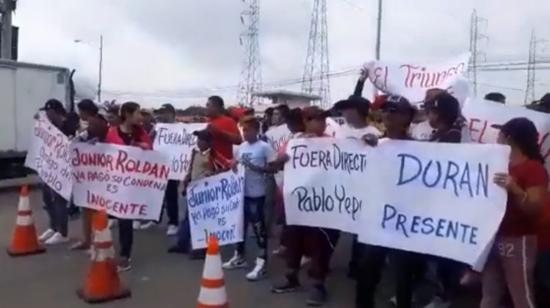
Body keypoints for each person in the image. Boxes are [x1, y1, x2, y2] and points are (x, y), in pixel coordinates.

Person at [355, 96, 425, 308]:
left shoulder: (419, 149)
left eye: (394, 111)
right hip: (377, 219)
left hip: (404, 221)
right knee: (367, 269)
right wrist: (367, 149)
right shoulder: (374, 143)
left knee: (403, 274)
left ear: (406, 117)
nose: (388, 115)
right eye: (385, 110)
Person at [272, 106, 340, 306]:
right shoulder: (294, 143)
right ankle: (291, 277)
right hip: (296, 204)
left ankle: (318, 285)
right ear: (305, 121)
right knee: (294, 242)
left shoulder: (333, 143)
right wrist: (280, 160)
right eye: (315, 119)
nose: (321, 122)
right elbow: (277, 163)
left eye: (323, 119)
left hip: (322, 205)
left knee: (320, 245)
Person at [480, 117, 548, 308]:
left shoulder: (534, 169)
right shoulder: (498, 165)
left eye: (500, 133)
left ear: (509, 138)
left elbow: (535, 208)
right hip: (494, 238)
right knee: (490, 292)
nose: (497, 137)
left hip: (519, 239)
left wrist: (515, 188)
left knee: (521, 295)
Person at [222, 116, 277, 281]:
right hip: (240, 194)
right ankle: (239, 256)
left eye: (247, 130)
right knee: (239, 227)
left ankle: (262, 263)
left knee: (259, 229)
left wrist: (257, 168)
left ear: (255, 130)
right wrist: (232, 165)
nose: (244, 133)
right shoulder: (241, 147)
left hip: (257, 194)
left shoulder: (264, 147)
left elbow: (273, 169)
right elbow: (235, 164)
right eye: (242, 130)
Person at [423, 92, 464, 308]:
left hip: (447, 205)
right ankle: (438, 291)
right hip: (435, 202)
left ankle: (444, 295)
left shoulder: (453, 137)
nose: (427, 114)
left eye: (431, 110)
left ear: (439, 113)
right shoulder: (440, 134)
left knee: (444, 254)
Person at [104, 102, 152, 272]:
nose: (141, 117)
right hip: (115, 183)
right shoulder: (111, 133)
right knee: (111, 217)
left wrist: (144, 148)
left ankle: (125, 254)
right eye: (138, 113)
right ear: (127, 114)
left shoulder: (141, 133)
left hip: (134, 184)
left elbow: (151, 156)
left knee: (125, 219)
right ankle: (102, 248)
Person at [168, 129, 229, 258]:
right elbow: (191, 168)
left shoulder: (213, 154)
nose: (199, 142)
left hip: (206, 192)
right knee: (188, 218)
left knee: (203, 220)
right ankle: (182, 244)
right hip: (194, 189)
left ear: (208, 142)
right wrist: (186, 180)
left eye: (201, 140)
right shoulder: (195, 153)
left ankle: (202, 248)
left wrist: (213, 174)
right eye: (198, 139)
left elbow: (226, 166)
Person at [37, 99, 77, 245]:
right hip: (49, 167)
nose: (46, 115)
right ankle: (53, 227)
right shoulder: (49, 126)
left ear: (53, 112)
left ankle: (62, 232)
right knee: (47, 198)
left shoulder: (68, 124)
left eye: (47, 112)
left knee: (59, 200)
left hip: (63, 169)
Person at [70, 99, 108, 251]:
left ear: (85, 111)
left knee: (92, 207)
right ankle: (90, 240)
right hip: (91, 170)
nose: (80, 115)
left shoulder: (94, 123)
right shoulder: (99, 122)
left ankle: (93, 241)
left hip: (94, 171)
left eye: (81, 111)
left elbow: (83, 140)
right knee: (88, 206)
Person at [154, 104, 180, 235]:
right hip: (159, 166)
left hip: (173, 167)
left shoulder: (180, 128)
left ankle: (173, 222)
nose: (161, 116)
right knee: (156, 193)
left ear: (171, 113)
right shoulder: (158, 128)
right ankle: (155, 218)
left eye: (163, 113)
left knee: (171, 194)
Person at [206, 96, 242, 161]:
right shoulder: (206, 122)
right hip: (207, 164)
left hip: (224, 165)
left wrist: (220, 133)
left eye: (208, 105)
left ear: (216, 107)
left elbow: (239, 140)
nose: (206, 108)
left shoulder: (229, 121)